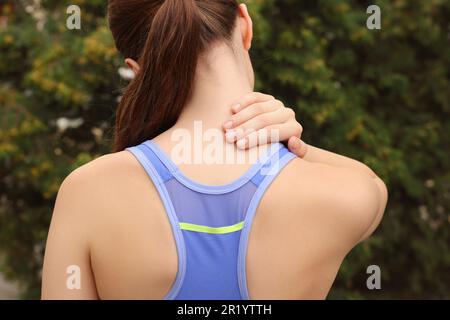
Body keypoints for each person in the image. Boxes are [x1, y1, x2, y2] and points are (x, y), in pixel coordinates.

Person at [41, 0, 387, 300]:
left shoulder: (88, 193)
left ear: (138, 70)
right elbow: (373, 184)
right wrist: (298, 143)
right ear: (245, 24)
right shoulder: (345, 194)